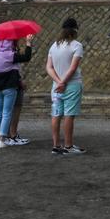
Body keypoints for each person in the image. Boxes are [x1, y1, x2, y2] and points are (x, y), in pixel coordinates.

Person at [46, 17, 86, 155]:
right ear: (75, 30)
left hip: (56, 86)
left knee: (56, 114)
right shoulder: (77, 45)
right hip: (72, 85)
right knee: (69, 115)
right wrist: (63, 82)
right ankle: (68, 145)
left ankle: (56, 145)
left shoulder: (54, 46)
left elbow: (49, 67)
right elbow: (73, 68)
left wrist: (58, 81)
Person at [0, 38, 33, 148]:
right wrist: (28, 44)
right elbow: (26, 57)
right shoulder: (10, 55)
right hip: (9, 89)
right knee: (7, 113)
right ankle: (3, 140)